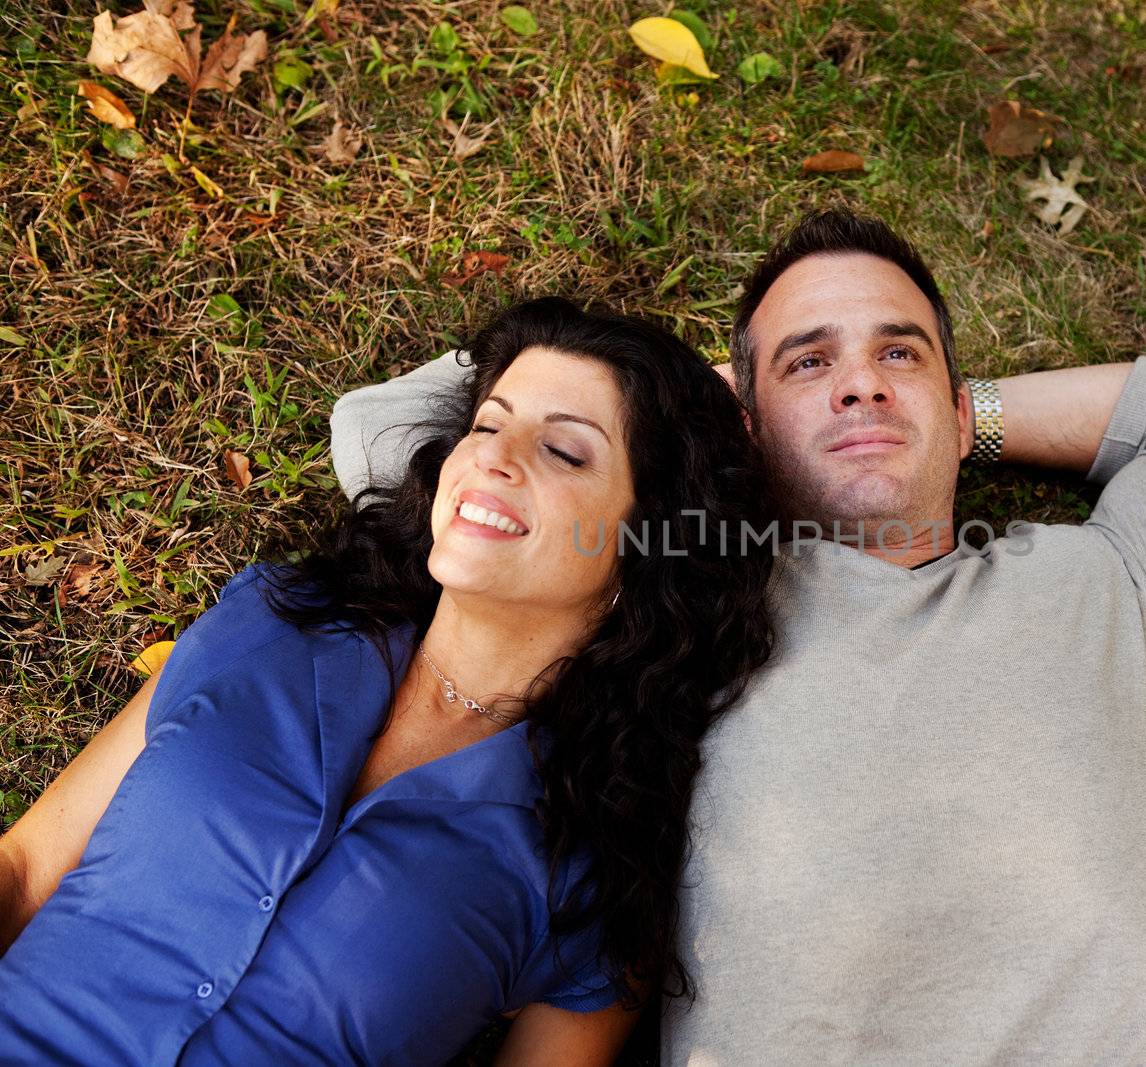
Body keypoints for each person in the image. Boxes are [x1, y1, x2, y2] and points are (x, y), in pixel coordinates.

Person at [331, 211, 1146, 1065]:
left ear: (959, 409)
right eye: (809, 361)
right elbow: (380, 434)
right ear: (743, 425)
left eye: (901, 353)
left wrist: (976, 415)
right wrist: (671, 404)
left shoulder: (1115, 579)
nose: (861, 387)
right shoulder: (677, 585)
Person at [0, 297, 775, 1065]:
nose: (494, 457)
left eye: (565, 452)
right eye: (487, 424)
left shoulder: (596, 859)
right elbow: (26, 869)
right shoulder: (272, 623)